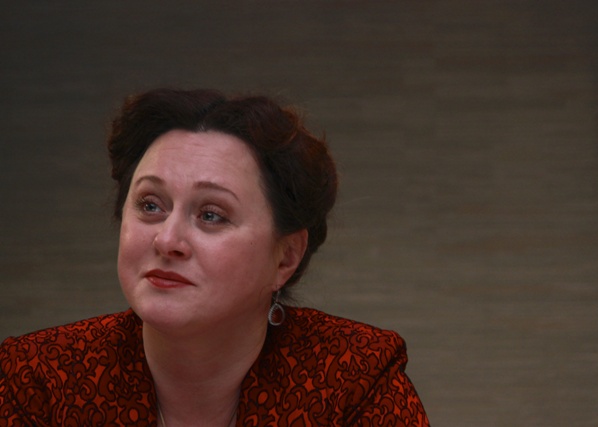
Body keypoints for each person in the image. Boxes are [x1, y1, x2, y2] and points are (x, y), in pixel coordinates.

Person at [0, 88, 429, 426]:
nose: (168, 240)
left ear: (285, 258)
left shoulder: (354, 379)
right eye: (150, 205)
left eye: (211, 215)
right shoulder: (39, 379)